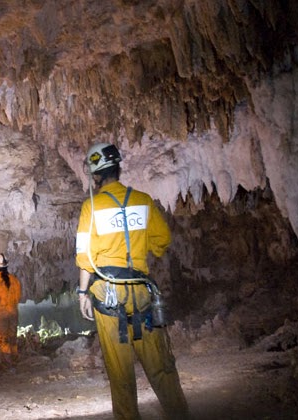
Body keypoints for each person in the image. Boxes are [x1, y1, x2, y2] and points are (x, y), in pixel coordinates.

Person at [75, 142, 189, 420]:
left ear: (96, 176)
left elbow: (84, 257)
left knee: (120, 372)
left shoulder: (91, 206)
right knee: (161, 366)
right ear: (118, 169)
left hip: (106, 292)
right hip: (140, 290)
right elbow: (162, 240)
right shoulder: (143, 200)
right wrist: (139, 248)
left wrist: (82, 293)